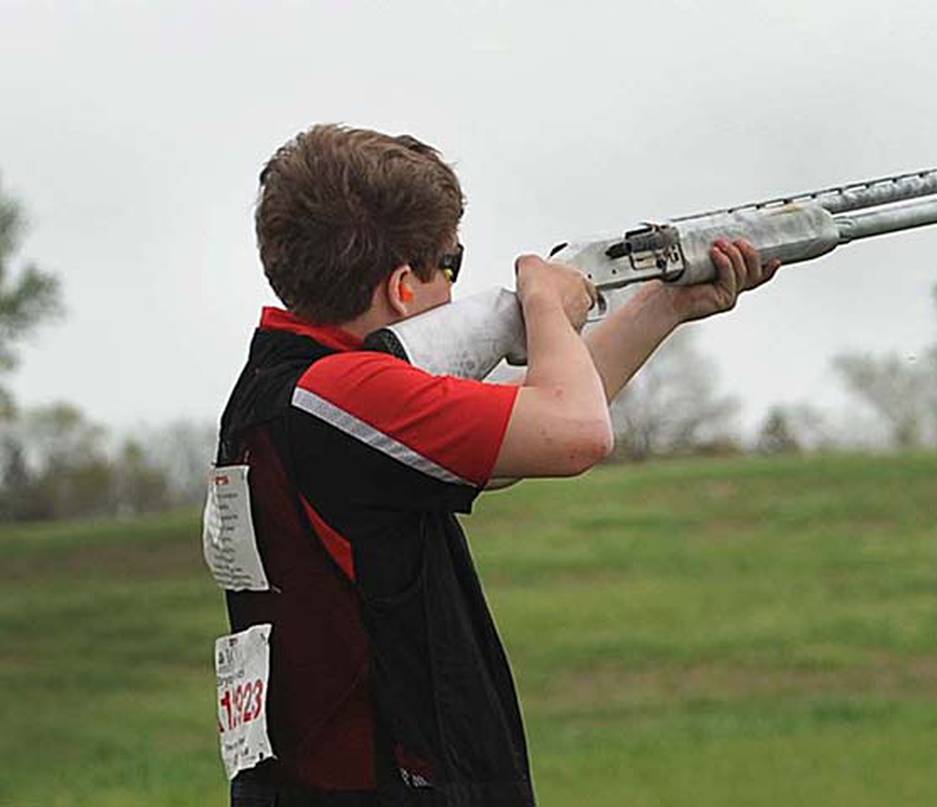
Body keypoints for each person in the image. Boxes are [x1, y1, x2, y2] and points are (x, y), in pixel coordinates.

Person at [213, 124, 778, 806]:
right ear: (402, 286)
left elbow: (526, 433)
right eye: (450, 262)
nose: (457, 281)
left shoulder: (288, 388)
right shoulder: (343, 392)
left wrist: (666, 304)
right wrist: (545, 304)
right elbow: (576, 432)